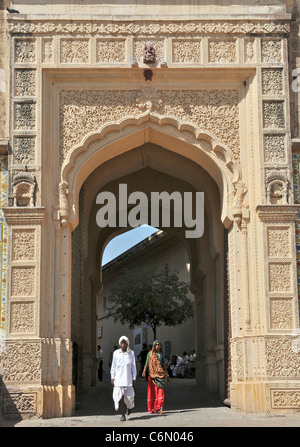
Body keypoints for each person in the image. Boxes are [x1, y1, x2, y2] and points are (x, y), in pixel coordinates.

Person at [110, 336, 137, 421]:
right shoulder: (116, 353)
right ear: (120, 344)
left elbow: (133, 366)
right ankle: (122, 415)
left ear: (127, 344)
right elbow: (113, 366)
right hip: (118, 379)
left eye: (125, 343)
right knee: (120, 397)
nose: (123, 345)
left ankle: (129, 407)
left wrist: (134, 378)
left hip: (128, 379)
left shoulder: (131, 353)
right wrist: (112, 376)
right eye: (122, 343)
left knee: (129, 397)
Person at [142, 340, 169, 414]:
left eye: (159, 345)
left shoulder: (161, 354)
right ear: (154, 346)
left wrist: (166, 373)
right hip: (153, 376)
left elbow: (164, 364)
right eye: (156, 345)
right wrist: (144, 371)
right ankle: (153, 408)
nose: (157, 346)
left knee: (161, 392)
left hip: (161, 375)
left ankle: (160, 408)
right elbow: (146, 363)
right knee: (153, 392)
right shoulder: (150, 354)